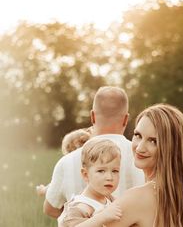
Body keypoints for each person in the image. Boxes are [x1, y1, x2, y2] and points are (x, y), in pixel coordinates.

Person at [77, 103, 183, 227]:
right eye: (137, 135)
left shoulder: (136, 198)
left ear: (171, 148)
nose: (140, 147)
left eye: (153, 141)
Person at [44, 86, 144, 218]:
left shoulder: (66, 161)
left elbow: (50, 209)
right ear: (126, 119)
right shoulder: (143, 157)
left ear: (92, 116)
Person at [58, 137, 122, 227]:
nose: (109, 177)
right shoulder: (79, 207)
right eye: (101, 171)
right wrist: (101, 217)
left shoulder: (110, 200)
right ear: (85, 174)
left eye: (115, 171)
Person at [36, 128, 91, 197]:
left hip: (75, 203)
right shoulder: (95, 163)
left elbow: (55, 187)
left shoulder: (69, 167)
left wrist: (43, 190)